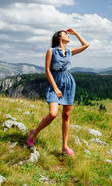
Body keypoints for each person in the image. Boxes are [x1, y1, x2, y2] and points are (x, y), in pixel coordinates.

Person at [27, 28, 89, 156]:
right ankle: (34, 133)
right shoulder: (51, 51)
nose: (68, 35)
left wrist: (76, 33)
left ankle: (64, 146)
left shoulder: (70, 52)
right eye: (65, 34)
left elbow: (86, 45)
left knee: (66, 116)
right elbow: (47, 70)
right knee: (53, 114)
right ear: (59, 37)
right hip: (55, 83)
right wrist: (55, 88)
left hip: (68, 83)